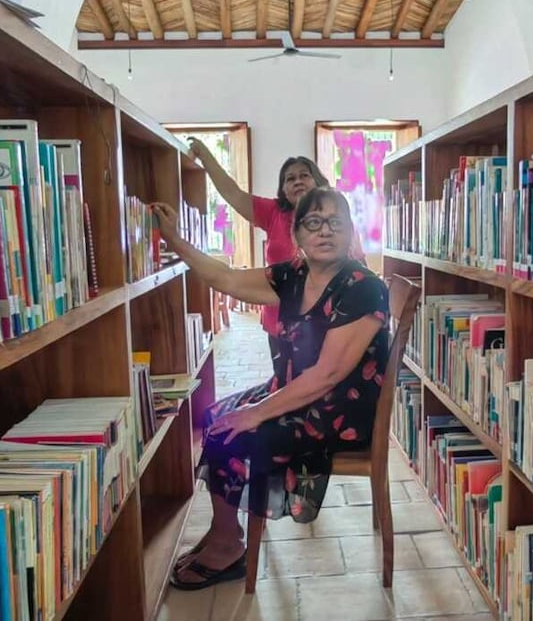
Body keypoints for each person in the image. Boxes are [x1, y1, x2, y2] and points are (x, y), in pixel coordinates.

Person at [151, 187, 390, 591]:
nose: (325, 231)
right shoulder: (292, 276)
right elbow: (222, 277)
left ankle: (228, 545)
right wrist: (173, 238)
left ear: (351, 231)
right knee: (215, 417)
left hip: (338, 410)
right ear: (296, 234)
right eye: (313, 222)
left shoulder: (363, 286)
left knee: (233, 431)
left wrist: (258, 411)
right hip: (297, 390)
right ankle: (223, 529)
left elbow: (329, 375)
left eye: (336, 221)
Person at [185, 138, 364, 362]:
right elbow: (234, 194)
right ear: (283, 189)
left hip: (328, 320)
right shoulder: (273, 212)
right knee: (285, 385)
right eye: (290, 178)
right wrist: (205, 155)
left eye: (304, 175)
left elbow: (358, 266)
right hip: (280, 321)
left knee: (322, 388)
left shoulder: (337, 216)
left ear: (318, 181)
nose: (297, 181)